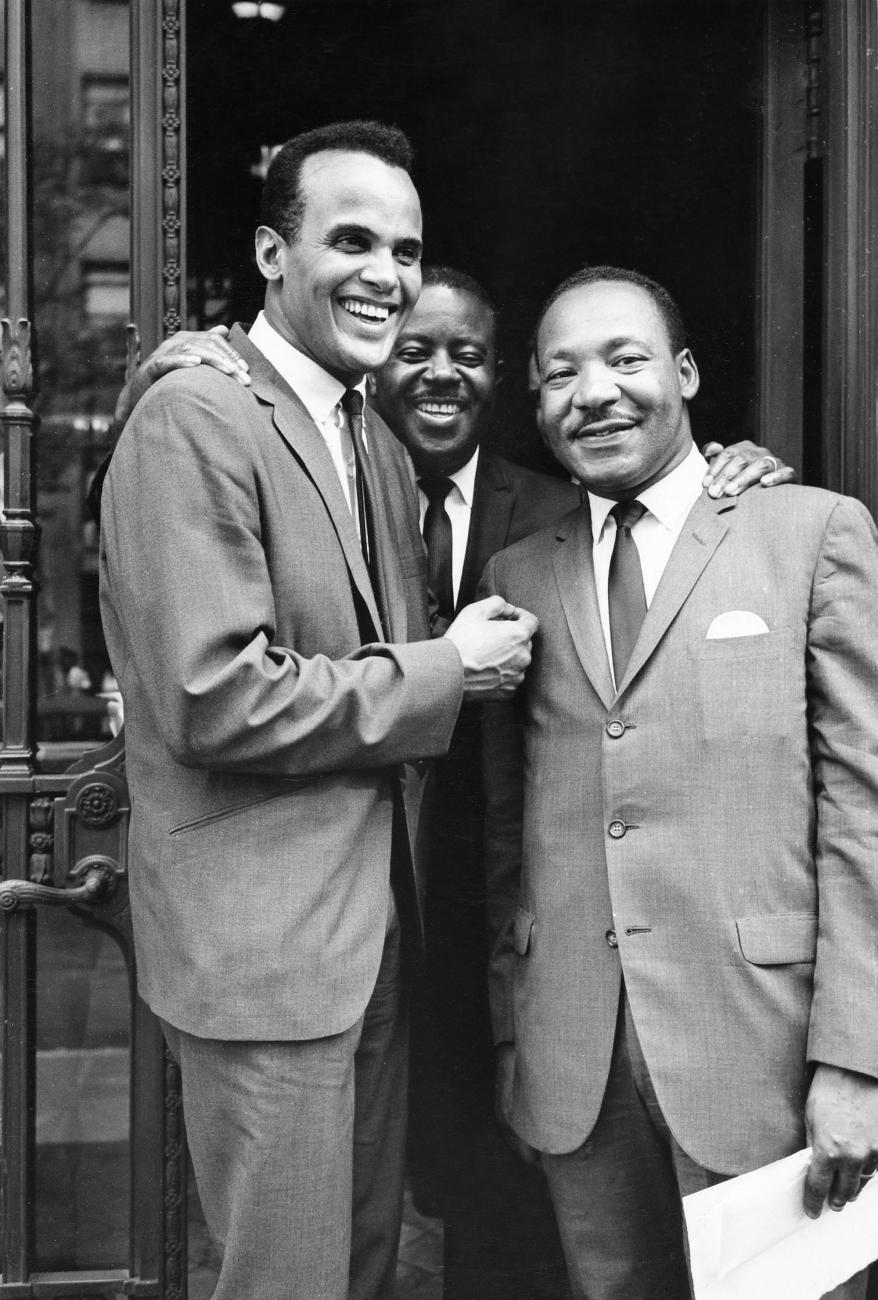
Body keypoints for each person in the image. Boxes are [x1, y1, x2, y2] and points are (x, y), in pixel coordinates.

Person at [110, 263, 794, 1299]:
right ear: (374, 367)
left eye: (467, 354)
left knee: (510, 1215)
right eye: (414, 349)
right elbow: (201, 631)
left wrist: (729, 475)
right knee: (336, 1230)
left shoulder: (568, 502)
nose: (440, 373)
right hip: (351, 906)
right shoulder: (325, 464)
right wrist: (162, 381)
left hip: (529, 923)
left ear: (500, 377)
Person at [98, 119, 538, 1300]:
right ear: (270, 253)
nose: (386, 274)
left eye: (405, 249)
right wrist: (445, 670)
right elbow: (214, 695)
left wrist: (719, 478)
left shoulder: (364, 434)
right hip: (265, 957)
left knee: (358, 1270)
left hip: (370, 936)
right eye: (351, 240)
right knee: (286, 1280)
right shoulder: (195, 417)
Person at [480, 265, 878, 1300]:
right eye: (560, 373)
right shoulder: (516, 577)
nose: (594, 393)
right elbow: (504, 832)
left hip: (765, 1055)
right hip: (576, 1063)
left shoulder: (809, 533)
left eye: (626, 359)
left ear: (687, 372)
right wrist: (515, 1035)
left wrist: (857, 1059)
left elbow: (863, 811)